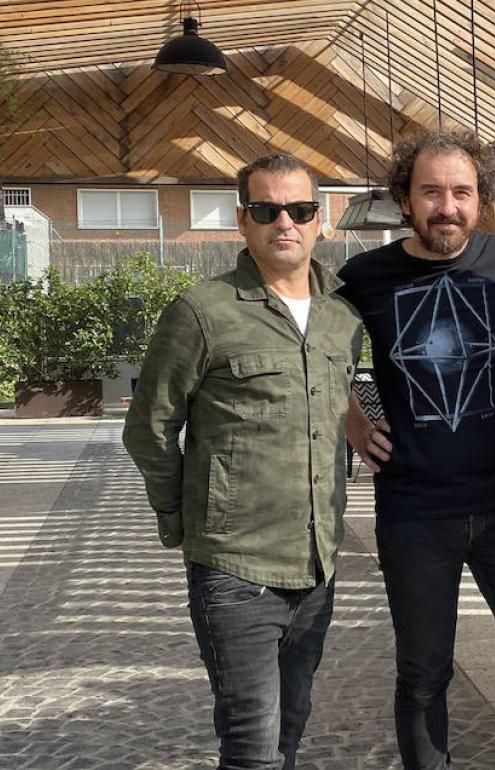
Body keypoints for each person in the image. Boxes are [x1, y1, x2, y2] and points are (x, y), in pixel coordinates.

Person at [123, 153, 363, 770]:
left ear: (320, 220)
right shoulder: (202, 311)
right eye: (266, 209)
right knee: (252, 745)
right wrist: (179, 519)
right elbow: (150, 428)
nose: (285, 222)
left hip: (318, 565)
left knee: (290, 729)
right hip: (235, 568)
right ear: (242, 219)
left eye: (300, 210)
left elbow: (336, 404)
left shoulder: (343, 316)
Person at [336, 129, 495, 770]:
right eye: (431, 192)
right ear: (405, 200)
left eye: (462, 192)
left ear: (480, 199)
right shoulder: (365, 277)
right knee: (423, 672)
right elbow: (309, 351)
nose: (447, 207)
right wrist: (352, 421)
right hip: (413, 511)